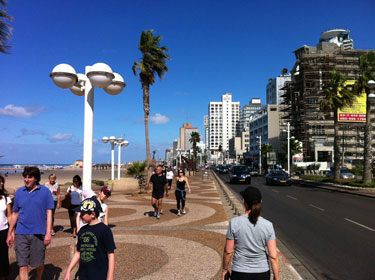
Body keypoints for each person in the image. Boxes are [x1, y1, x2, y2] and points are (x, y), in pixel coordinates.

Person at [6, 167, 54, 280]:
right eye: (25, 177)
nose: (26, 179)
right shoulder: (19, 192)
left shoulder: (45, 192)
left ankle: (39, 277)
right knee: (22, 265)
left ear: (36, 178)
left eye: (30, 177)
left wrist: (48, 232)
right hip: (21, 233)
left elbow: (49, 213)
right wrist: (10, 232)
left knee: (38, 263)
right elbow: (15, 214)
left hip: (39, 233)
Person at [222, 186, 279, 280]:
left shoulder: (234, 223)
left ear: (244, 202)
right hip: (262, 273)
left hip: (240, 272)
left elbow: (228, 251)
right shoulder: (268, 225)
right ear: (261, 202)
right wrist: (277, 278)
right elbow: (273, 256)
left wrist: (225, 269)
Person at [64, 198, 116, 280]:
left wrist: (110, 277)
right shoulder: (82, 230)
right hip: (84, 274)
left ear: (92, 214)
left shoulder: (105, 230)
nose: (80, 216)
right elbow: (78, 252)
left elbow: (111, 255)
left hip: (99, 275)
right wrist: (69, 269)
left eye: (83, 213)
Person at [0, 175, 12, 280]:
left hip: (3, 230)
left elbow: (9, 215)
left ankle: (3, 276)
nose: (1, 184)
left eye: (2, 182)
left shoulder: (6, 197)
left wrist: (11, 232)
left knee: (3, 255)